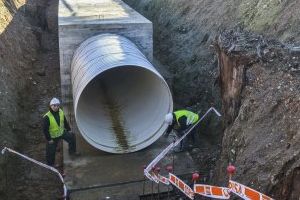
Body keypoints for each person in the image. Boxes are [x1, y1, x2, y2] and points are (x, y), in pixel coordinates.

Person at [43, 97, 79, 166]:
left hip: (61, 132)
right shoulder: (47, 117)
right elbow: (45, 130)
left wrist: (68, 129)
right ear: (50, 106)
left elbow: (64, 121)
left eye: (57, 105)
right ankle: (50, 165)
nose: (56, 107)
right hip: (52, 137)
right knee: (51, 151)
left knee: (72, 137)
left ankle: (72, 153)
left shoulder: (60, 111)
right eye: (54, 105)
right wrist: (49, 139)